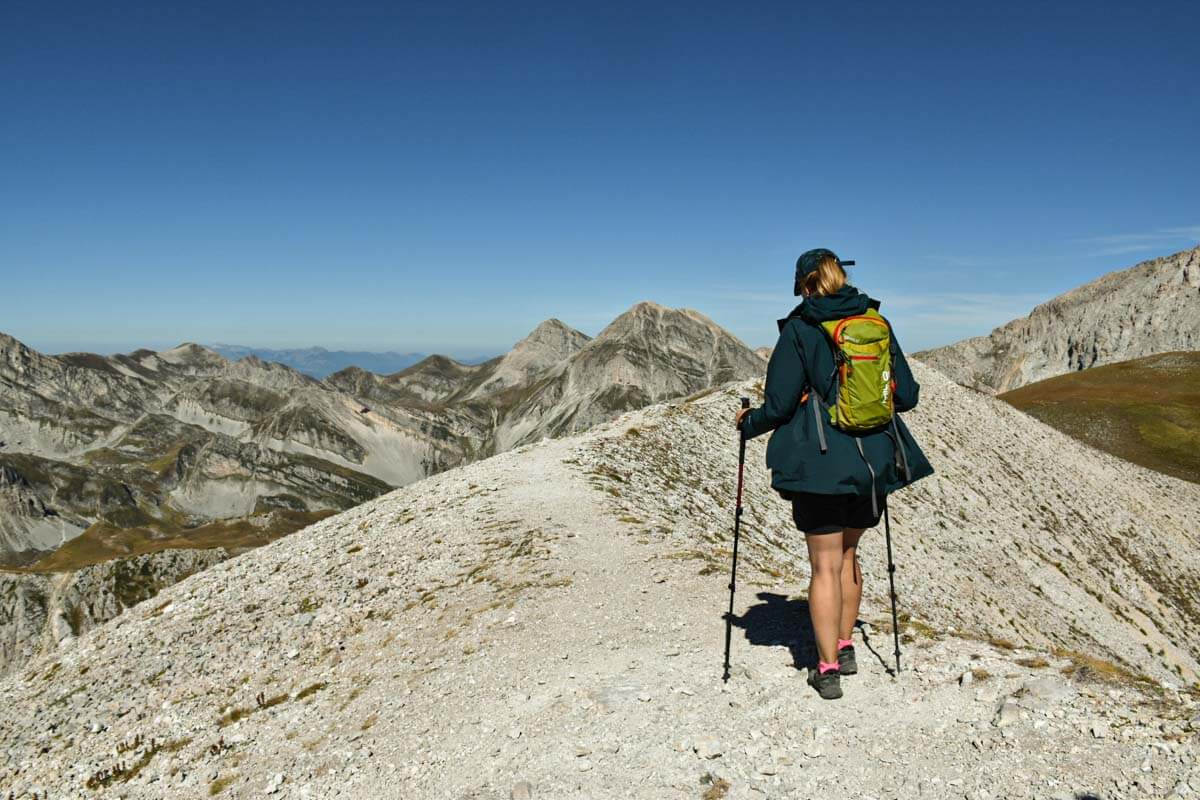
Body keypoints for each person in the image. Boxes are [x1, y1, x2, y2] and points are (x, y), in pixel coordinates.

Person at [735, 248, 933, 700]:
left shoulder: (802, 329)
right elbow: (908, 396)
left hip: (822, 464)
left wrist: (749, 423)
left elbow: (781, 405)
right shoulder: (876, 323)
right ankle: (845, 647)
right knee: (848, 556)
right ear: (841, 278)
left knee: (823, 564)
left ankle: (826, 670)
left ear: (805, 284)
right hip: (873, 464)